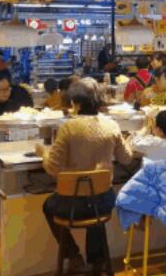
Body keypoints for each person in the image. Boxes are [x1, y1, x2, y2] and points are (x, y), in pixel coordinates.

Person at [37, 78, 133, 274]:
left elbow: (53, 168)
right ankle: (97, 260)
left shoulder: (69, 128)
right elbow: (126, 159)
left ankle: (73, 255)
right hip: (104, 202)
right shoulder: (111, 125)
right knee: (95, 199)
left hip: (71, 205)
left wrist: (43, 153)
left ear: (75, 103)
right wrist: (129, 141)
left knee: (48, 206)